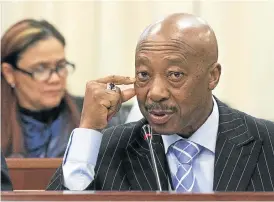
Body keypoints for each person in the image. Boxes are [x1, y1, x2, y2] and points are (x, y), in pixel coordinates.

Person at [47, 13, 274, 192]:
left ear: (213, 76)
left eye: (175, 75)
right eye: (144, 75)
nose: (154, 93)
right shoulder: (110, 148)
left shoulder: (267, 142)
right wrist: (88, 130)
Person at [1, 19, 130, 158]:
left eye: (61, 66)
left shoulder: (98, 117)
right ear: (9, 73)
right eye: (40, 69)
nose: (55, 79)